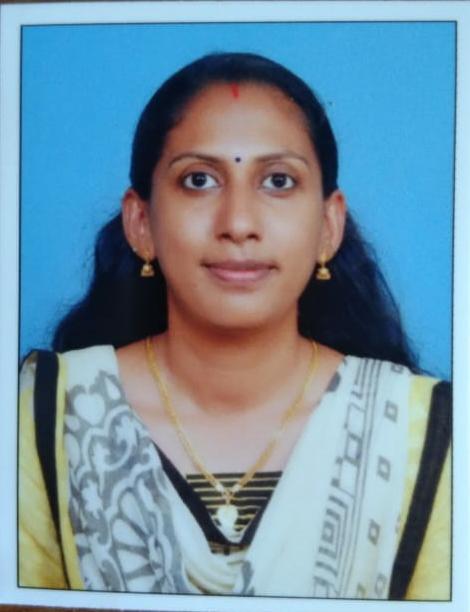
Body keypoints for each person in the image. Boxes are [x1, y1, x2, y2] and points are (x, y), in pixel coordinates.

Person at [19, 52, 450, 599]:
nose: (239, 223)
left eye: (278, 181)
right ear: (141, 222)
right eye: (199, 180)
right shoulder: (48, 413)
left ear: (329, 225)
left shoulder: (426, 429)